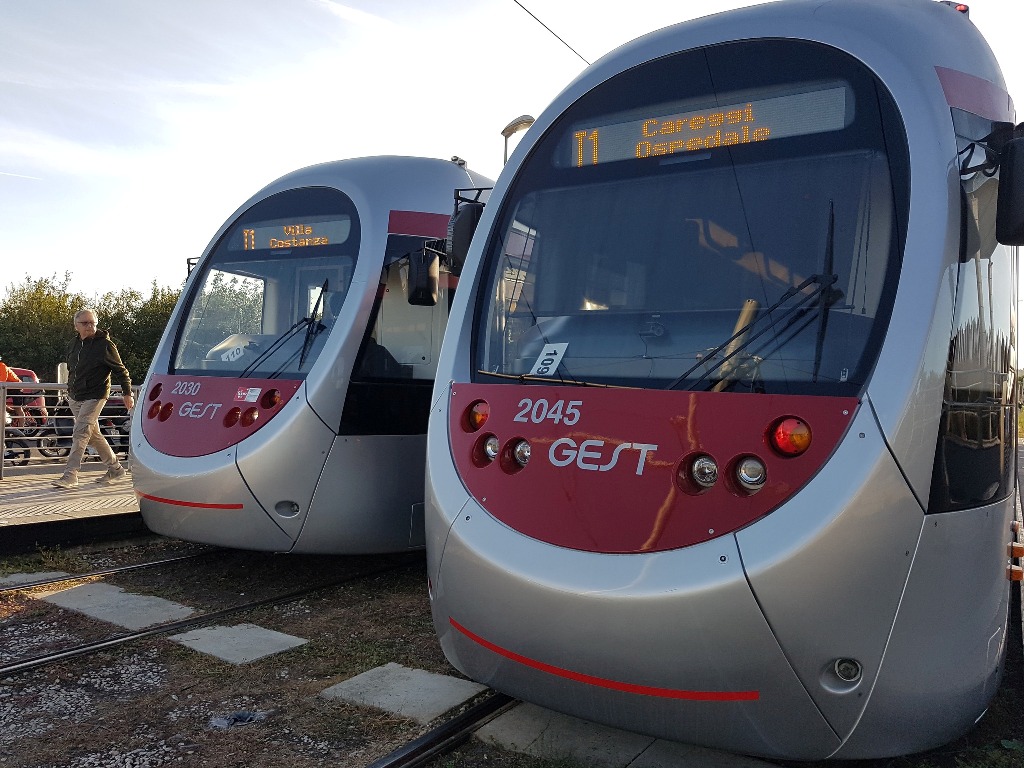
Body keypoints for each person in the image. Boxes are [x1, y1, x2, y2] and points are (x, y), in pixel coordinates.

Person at [52, 309, 135, 489]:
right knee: (93, 435)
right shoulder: (73, 344)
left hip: (95, 395)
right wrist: (69, 389)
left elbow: (121, 371)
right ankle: (116, 469)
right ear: (76, 326)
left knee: (80, 433)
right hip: (75, 396)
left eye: (93, 323)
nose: (90, 326)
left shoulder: (105, 345)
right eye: (85, 323)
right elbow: (72, 370)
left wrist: (127, 393)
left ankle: (70, 475)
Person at [0, 355, 25, 427]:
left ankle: (21, 428)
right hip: (8, 388)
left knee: (18, 408)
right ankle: (10, 411)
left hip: (16, 387)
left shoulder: (2, 366)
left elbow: (2, 381)